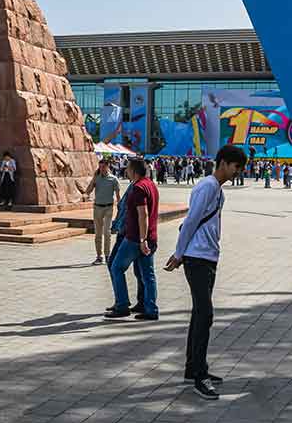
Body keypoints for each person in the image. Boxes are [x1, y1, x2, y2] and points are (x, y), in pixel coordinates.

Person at [165, 144, 247, 400]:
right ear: (223, 163)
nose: (238, 172)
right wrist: (179, 254)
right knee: (205, 314)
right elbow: (191, 221)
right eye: (236, 167)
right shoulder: (207, 186)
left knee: (199, 314)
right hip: (196, 258)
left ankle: (193, 369)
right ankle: (200, 376)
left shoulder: (218, 191)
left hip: (208, 256)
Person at [106, 158, 159, 321]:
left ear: (134, 171)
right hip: (150, 237)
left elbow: (143, 214)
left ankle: (122, 305)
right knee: (147, 275)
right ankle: (150, 308)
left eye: (128, 168)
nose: (126, 170)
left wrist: (142, 240)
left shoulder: (138, 188)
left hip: (136, 239)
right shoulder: (151, 185)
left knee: (116, 268)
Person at [79, 158, 121, 265]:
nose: (101, 169)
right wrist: (85, 195)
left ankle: (107, 255)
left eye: (103, 167)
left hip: (108, 208)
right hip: (97, 208)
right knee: (98, 233)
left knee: (107, 232)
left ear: (108, 166)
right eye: (100, 167)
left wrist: (120, 206)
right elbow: (89, 189)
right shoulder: (96, 178)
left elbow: (118, 195)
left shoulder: (114, 179)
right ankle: (99, 256)